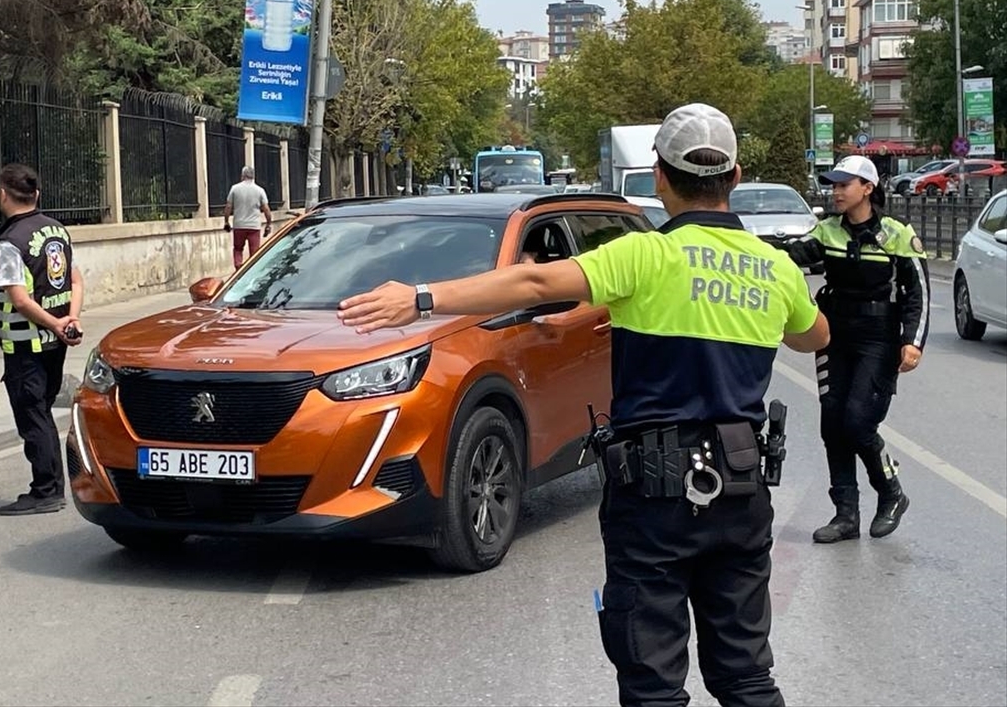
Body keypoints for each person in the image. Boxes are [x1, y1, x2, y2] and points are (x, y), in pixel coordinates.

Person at [338, 103, 829, 706]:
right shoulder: (773, 268)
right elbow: (815, 336)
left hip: (654, 497)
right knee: (745, 674)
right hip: (740, 490)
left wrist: (418, 297)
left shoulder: (645, 256)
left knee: (653, 683)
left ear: (660, 178)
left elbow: (536, 285)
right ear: (735, 177)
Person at [784, 155, 927, 544]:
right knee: (832, 425)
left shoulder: (896, 234)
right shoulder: (827, 230)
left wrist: (912, 342)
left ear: (867, 188)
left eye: (845, 184)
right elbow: (791, 257)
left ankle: (892, 492)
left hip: (879, 338)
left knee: (859, 422)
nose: (837, 191)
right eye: (834, 184)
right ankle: (846, 515)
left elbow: (918, 294)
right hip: (835, 335)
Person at [0, 163, 84, 516]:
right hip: (56, 342)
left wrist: (56, 324)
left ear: (2, 195)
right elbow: (76, 280)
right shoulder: (57, 230)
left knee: (33, 416)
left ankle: (45, 489)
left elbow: (19, 299)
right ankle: (51, 485)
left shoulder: (10, 243)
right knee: (43, 412)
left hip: (26, 343)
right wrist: (69, 319)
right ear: (37, 195)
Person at [222, 166, 272, 270]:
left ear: (242, 176)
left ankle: (238, 267)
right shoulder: (260, 190)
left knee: (238, 249)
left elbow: (228, 206)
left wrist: (226, 221)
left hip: (239, 225)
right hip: (254, 227)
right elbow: (266, 209)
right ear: (253, 176)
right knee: (254, 254)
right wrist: (268, 224)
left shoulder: (234, 189)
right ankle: (251, 272)